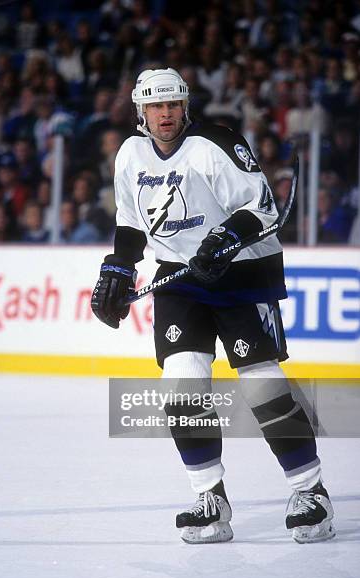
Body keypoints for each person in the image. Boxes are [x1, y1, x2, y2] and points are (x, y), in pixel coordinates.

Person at [91, 68, 335, 545]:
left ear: (185, 106)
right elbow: (130, 221)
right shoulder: (130, 154)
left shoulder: (215, 144)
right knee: (180, 384)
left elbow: (262, 205)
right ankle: (210, 499)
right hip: (180, 276)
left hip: (243, 272)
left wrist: (225, 239)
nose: (166, 113)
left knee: (262, 384)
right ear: (141, 112)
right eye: (156, 106)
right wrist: (119, 267)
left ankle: (312, 493)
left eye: (173, 104)